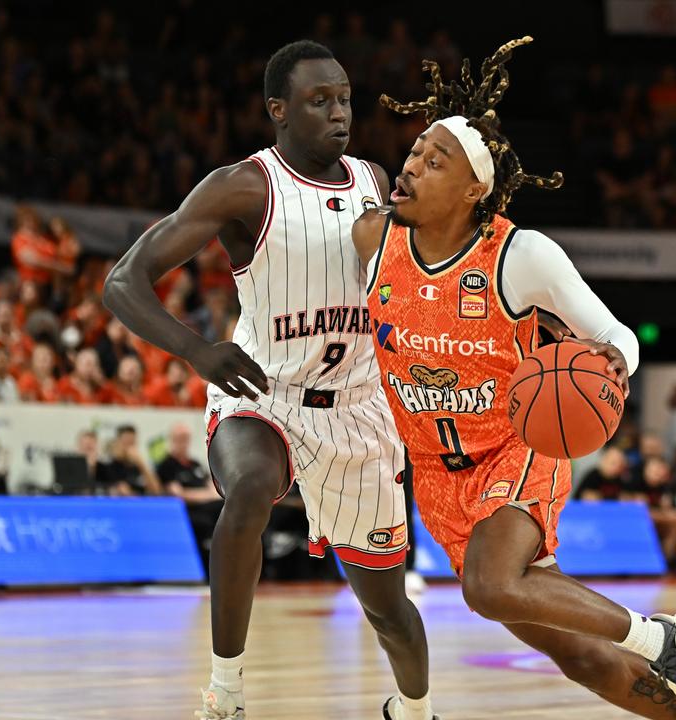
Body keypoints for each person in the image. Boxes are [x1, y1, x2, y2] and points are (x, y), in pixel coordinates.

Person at [360, 37, 676, 720]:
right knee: (577, 653)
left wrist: (613, 361)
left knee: (487, 588)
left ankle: (666, 637)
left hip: (515, 450)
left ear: (474, 189)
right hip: (435, 474)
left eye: (437, 159)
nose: (412, 165)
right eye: (413, 153)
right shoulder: (372, 241)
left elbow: (613, 335)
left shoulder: (521, 255)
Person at [102, 40, 433, 720]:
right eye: (320, 101)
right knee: (250, 486)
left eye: (344, 98)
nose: (339, 112)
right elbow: (121, 282)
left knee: (390, 610)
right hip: (263, 393)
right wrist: (196, 351)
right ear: (278, 110)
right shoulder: (243, 186)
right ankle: (225, 694)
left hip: (358, 413)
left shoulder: (376, 181)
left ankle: (415, 708)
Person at [157, 423, 224, 567]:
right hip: (188, 510)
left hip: (210, 506)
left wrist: (210, 495)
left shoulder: (195, 464)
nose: (184, 442)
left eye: (186, 438)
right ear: (172, 439)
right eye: (180, 438)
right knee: (209, 518)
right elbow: (179, 494)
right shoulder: (167, 465)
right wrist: (207, 496)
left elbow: (214, 488)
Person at [95, 425, 163, 497]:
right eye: (126, 442)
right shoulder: (105, 466)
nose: (129, 447)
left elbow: (157, 491)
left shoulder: (139, 468)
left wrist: (141, 464)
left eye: (132, 443)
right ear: (117, 442)